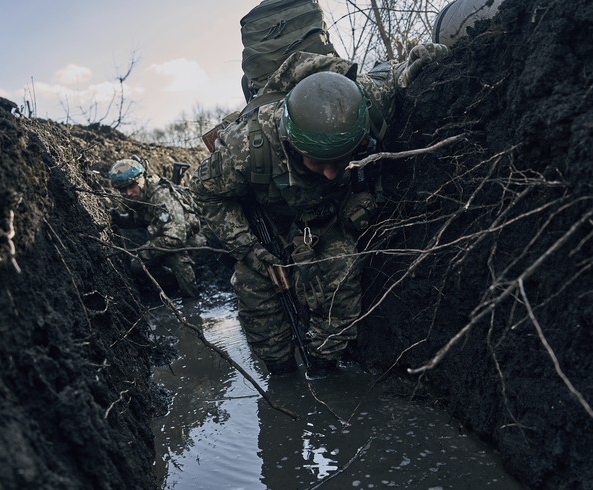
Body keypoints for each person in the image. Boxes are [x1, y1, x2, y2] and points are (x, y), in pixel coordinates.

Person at [190, 45, 447, 375]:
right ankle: (280, 372)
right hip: (272, 226)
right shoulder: (245, 148)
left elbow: (396, 74)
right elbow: (205, 194)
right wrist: (252, 251)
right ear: (290, 142)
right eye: (318, 162)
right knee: (254, 290)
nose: (330, 173)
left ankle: (326, 366)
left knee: (341, 270)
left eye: (339, 161)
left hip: (329, 220)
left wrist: (419, 61)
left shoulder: (364, 102)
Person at [108, 158, 204, 298]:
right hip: (164, 239)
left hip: (192, 242)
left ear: (142, 179)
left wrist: (144, 252)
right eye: (122, 189)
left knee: (176, 258)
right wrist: (119, 219)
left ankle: (192, 299)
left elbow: (176, 238)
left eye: (132, 186)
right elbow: (139, 220)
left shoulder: (160, 197)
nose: (128, 193)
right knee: (137, 266)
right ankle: (172, 285)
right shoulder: (140, 195)